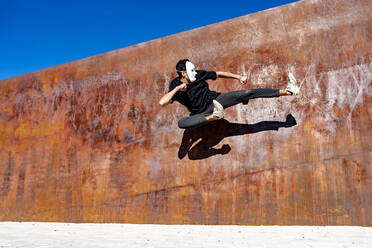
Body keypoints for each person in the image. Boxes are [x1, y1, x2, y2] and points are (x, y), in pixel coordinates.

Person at [159, 59, 299, 129]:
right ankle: (214, 116)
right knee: (181, 123)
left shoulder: (200, 74)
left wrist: (238, 77)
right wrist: (177, 89)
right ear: (183, 74)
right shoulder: (175, 85)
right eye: (192, 71)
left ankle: (288, 91)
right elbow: (162, 103)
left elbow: (218, 74)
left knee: (246, 93)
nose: (195, 73)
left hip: (216, 101)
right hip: (200, 114)